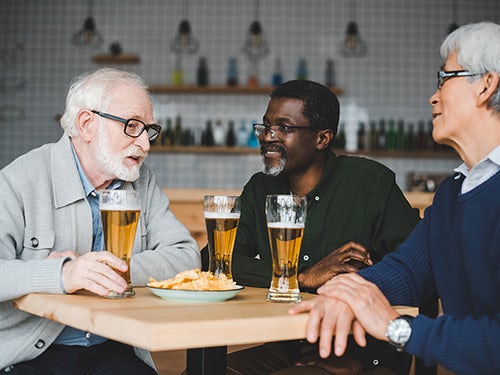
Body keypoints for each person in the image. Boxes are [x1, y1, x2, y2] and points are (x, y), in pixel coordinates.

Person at [289, 21, 500, 375]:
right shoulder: (453, 194)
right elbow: (406, 270)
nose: (433, 97)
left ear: (485, 84)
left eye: (444, 78)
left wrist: (397, 328)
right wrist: (346, 290)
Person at [0, 68, 201, 374]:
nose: (145, 144)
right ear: (87, 124)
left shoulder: (142, 183)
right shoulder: (19, 179)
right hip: (31, 353)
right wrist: (64, 274)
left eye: (149, 130)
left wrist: (107, 272)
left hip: (112, 348)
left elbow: (186, 256)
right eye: (132, 126)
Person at [228, 79, 421, 374]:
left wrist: (369, 360)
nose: (268, 137)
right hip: (286, 344)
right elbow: (220, 261)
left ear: (322, 139)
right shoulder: (260, 188)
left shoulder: (371, 183)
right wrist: (302, 278)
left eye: (284, 128)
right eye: (266, 127)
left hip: (362, 351)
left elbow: (417, 276)